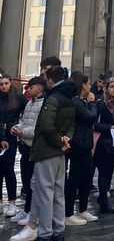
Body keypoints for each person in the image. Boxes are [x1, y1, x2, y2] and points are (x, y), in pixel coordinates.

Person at [29, 65, 76, 241]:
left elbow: (46, 127)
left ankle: (45, 232)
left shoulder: (53, 99)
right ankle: (59, 229)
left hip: (47, 151)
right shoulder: (70, 98)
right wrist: (66, 140)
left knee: (45, 193)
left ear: (50, 80)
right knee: (58, 192)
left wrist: (58, 141)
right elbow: (72, 125)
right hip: (61, 151)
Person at [9, 77, 45, 232]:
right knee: (26, 179)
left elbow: (38, 129)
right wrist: (16, 127)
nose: (28, 90)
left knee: (33, 182)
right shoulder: (30, 103)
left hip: (34, 148)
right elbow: (24, 121)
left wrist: (22, 131)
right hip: (24, 146)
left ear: (39, 88)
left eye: (31, 87)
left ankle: (32, 212)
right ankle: (27, 208)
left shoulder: (43, 105)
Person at [64, 72, 98, 225]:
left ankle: (83, 209)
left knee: (86, 177)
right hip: (79, 145)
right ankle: (68, 213)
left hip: (85, 144)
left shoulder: (80, 102)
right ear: (83, 85)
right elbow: (90, 117)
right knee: (75, 179)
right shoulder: (77, 103)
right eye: (88, 83)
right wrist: (92, 103)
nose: (90, 86)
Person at [94, 76, 114, 214]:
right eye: (112, 87)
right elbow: (95, 124)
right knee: (103, 173)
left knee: (110, 172)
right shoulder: (101, 104)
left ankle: (103, 196)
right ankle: (103, 201)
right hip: (103, 142)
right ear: (106, 89)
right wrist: (110, 127)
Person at [0, 74, 26, 219]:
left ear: (10, 84)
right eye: (1, 84)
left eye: (6, 83)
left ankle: (12, 201)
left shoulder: (18, 97)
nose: (3, 86)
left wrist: (19, 126)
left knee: (8, 169)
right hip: (1, 135)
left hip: (10, 136)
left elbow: (27, 112)